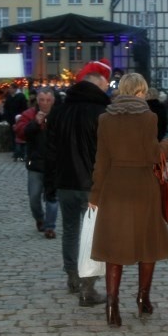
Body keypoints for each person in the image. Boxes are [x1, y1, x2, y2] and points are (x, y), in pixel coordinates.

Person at [89, 73, 168, 327]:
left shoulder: (105, 119)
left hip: (114, 186)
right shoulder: (148, 117)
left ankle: (111, 305)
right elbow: (152, 154)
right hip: (142, 187)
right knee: (147, 244)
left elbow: (101, 159)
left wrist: (95, 194)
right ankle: (142, 299)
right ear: (140, 92)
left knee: (114, 249)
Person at [45, 59, 112, 305]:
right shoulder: (103, 112)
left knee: (71, 231)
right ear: (99, 81)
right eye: (107, 82)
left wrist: (50, 184)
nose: (108, 86)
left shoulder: (60, 110)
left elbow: (49, 151)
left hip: (65, 182)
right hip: (93, 184)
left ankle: (72, 276)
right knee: (92, 235)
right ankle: (88, 286)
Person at [14, 87, 58, 239]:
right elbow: (20, 132)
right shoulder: (29, 114)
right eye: (42, 100)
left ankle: (50, 227)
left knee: (52, 197)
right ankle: (40, 218)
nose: (45, 103)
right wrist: (35, 123)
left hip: (54, 164)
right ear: (37, 100)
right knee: (34, 197)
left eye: (48, 100)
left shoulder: (59, 114)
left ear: (53, 100)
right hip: (35, 163)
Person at [4, 84, 29, 161]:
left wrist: (22, 118)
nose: (9, 90)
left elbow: (24, 108)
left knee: (20, 136)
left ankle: (21, 152)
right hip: (11, 119)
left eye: (11, 88)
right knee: (13, 136)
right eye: (9, 88)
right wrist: (7, 118)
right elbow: (6, 108)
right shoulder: (9, 97)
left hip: (20, 119)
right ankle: (15, 151)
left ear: (15, 89)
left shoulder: (21, 96)